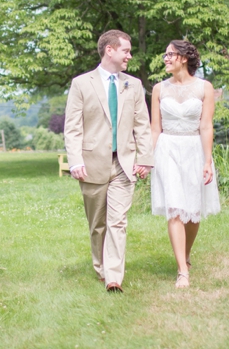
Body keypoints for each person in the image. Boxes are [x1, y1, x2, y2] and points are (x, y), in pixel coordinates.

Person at [64, 30, 154, 293]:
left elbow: (142, 125)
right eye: (126, 50)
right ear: (109, 50)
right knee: (98, 224)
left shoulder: (134, 85)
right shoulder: (81, 84)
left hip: (123, 164)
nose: (130, 55)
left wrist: (145, 159)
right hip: (91, 164)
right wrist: (75, 160)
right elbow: (73, 128)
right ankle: (100, 267)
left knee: (118, 222)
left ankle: (114, 277)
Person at [150, 40, 220, 289]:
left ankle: (186, 254)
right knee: (175, 209)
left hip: (194, 150)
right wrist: (149, 159)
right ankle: (182, 271)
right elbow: (155, 128)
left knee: (193, 211)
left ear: (183, 58)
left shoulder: (204, 87)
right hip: (167, 151)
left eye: (169, 54)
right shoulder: (159, 89)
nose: (165, 58)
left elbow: (206, 125)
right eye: (165, 54)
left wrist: (207, 160)